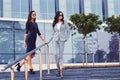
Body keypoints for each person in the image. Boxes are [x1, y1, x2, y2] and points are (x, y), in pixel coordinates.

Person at [52, 11, 70, 77]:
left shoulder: (64, 22)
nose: (61, 16)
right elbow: (53, 32)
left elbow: (68, 31)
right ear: (57, 15)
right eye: (59, 15)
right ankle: (58, 69)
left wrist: (66, 38)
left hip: (62, 40)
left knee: (60, 55)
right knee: (55, 54)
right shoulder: (54, 23)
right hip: (55, 40)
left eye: (62, 15)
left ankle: (61, 72)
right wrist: (51, 39)